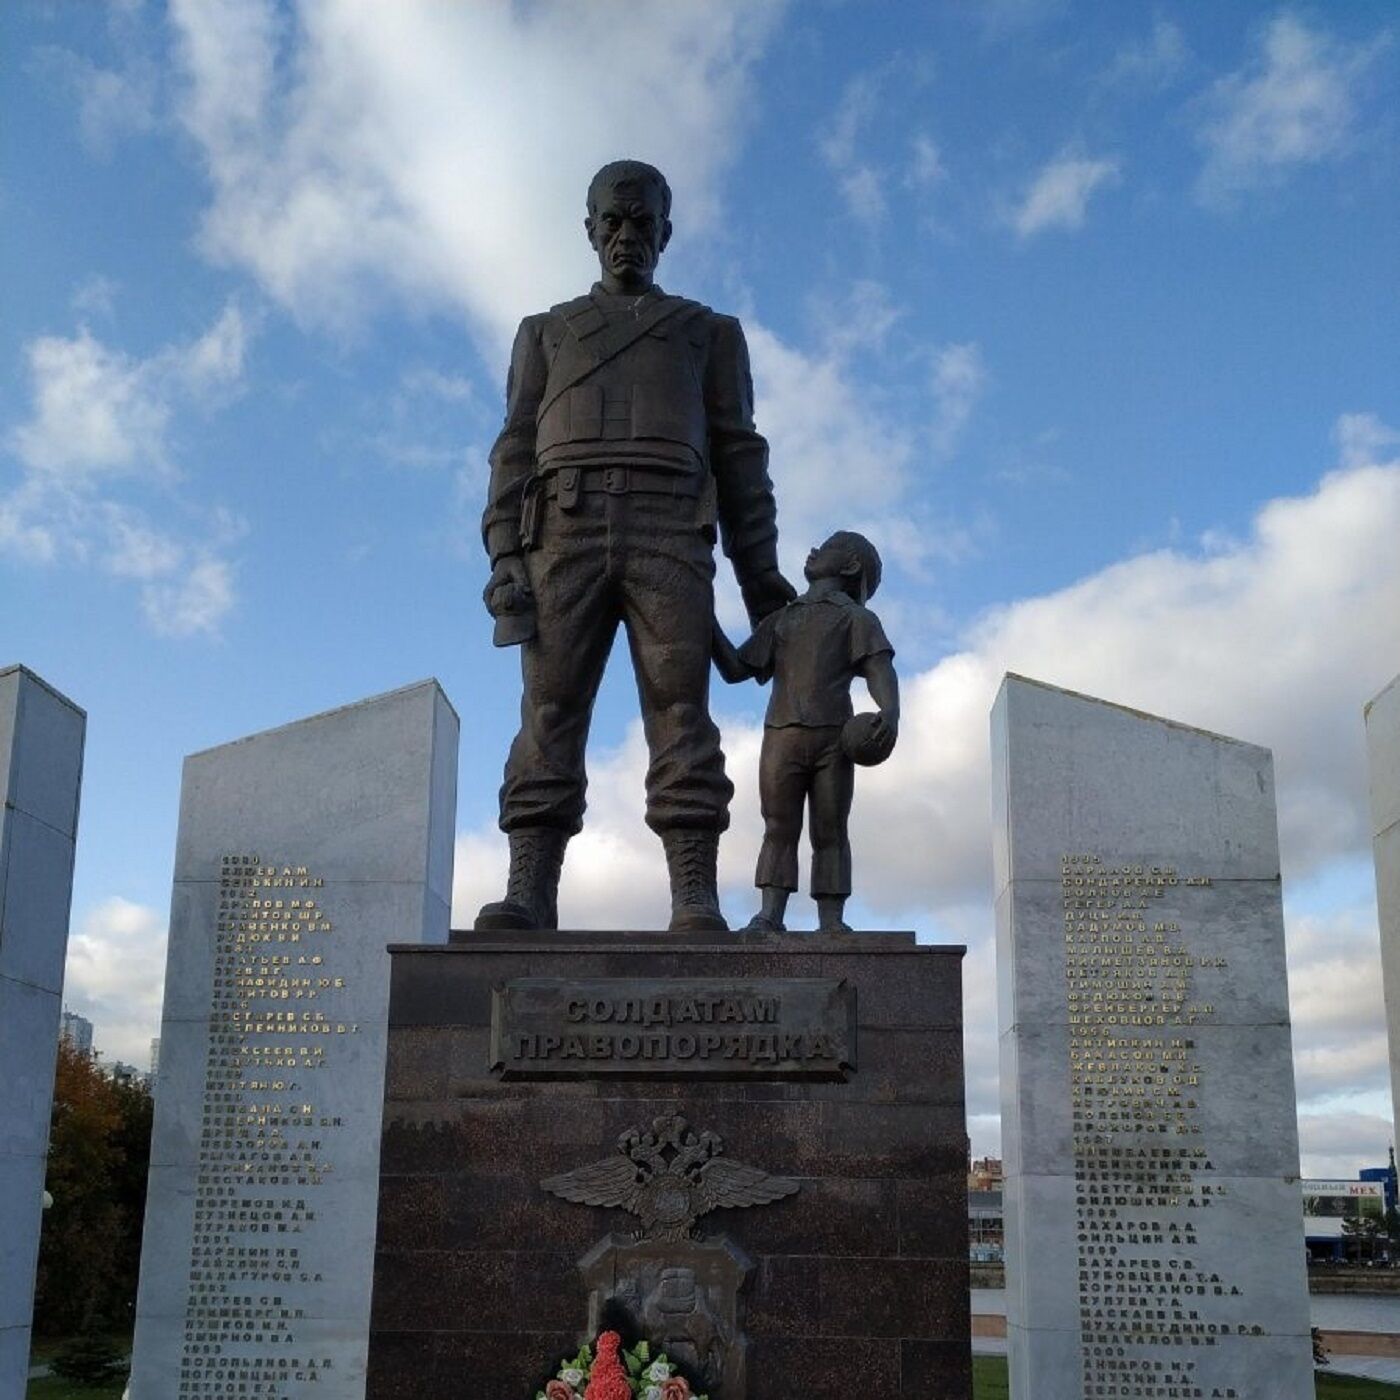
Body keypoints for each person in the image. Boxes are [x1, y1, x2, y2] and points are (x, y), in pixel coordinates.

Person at [477, 159, 793, 932]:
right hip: (563, 530)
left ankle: (694, 897)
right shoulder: (545, 333)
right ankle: (530, 894)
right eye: (612, 224)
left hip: (670, 529)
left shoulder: (707, 333)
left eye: (643, 224)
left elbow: (740, 457)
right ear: (589, 230)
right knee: (547, 712)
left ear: (666, 232)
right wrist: (504, 558)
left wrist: (764, 590)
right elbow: (514, 449)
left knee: (682, 710)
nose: (627, 238)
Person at [714, 531, 898, 932]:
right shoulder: (783, 618)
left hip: (835, 741)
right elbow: (734, 668)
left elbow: (879, 669)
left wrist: (891, 713)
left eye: (828, 547)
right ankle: (769, 916)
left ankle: (832, 922)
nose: (815, 549)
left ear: (849, 566)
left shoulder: (857, 618)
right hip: (782, 736)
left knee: (830, 830)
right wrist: (703, 619)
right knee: (778, 826)